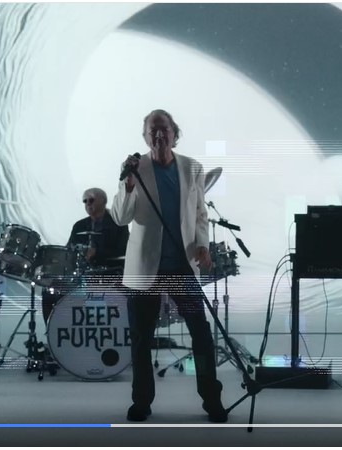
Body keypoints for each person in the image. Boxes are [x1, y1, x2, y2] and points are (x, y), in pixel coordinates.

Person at [110, 109, 227, 423]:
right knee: (141, 339)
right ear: (145, 136)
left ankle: (212, 399)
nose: (159, 135)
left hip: (181, 268)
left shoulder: (192, 167)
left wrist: (202, 244)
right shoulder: (135, 168)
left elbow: (200, 213)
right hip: (145, 268)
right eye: (153, 130)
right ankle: (141, 402)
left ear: (175, 134)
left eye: (164, 130)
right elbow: (120, 217)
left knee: (201, 335)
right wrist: (128, 184)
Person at [40, 188, 129, 324]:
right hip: (82, 275)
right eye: (85, 201)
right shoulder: (79, 226)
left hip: (111, 274)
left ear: (103, 201)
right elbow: (69, 250)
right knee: (49, 292)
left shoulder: (118, 224)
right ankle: (54, 331)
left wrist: (97, 253)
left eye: (91, 200)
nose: (87, 203)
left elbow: (124, 251)